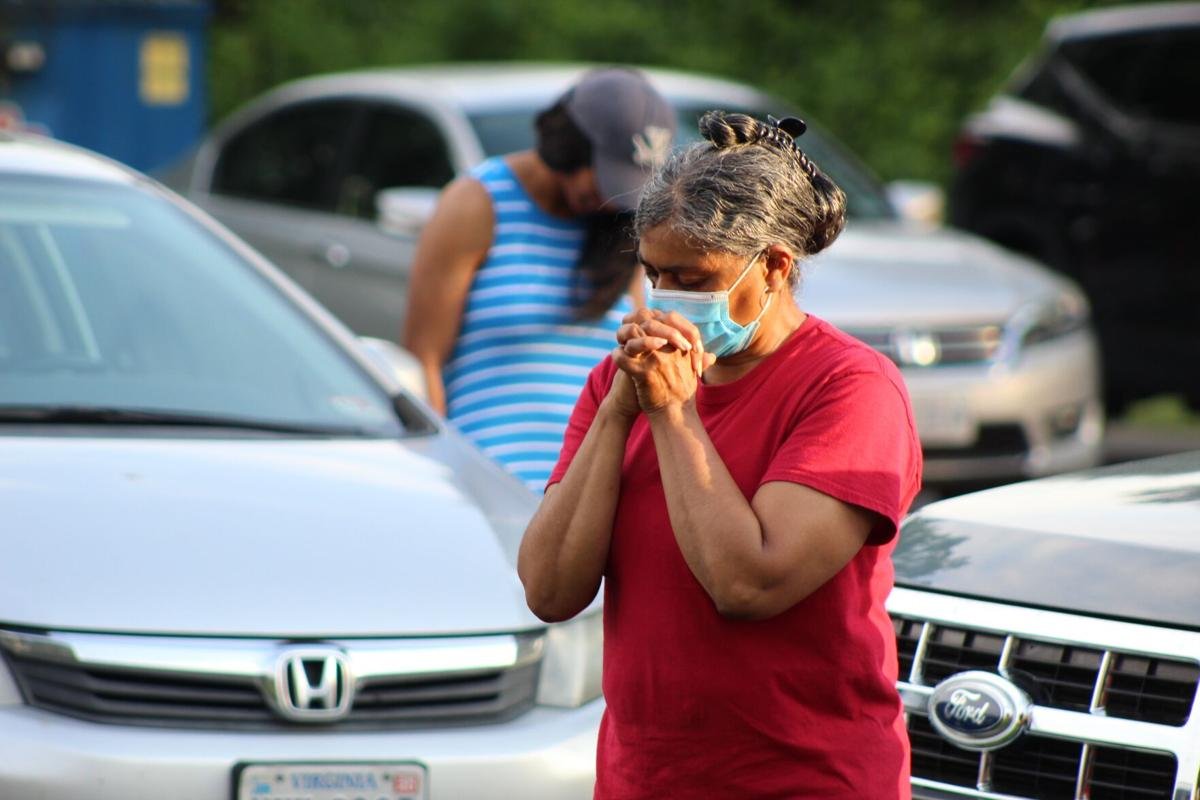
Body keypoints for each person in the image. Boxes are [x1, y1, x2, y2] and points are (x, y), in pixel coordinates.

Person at [517, 112, 922, 798]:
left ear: (773, 266)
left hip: (805, 778)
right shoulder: (620, 384)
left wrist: (673, 412)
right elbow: (550, 590)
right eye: (654, 274)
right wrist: (620, 411)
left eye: (695, 279)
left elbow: (748, 585)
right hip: (646, 780)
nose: (668, 301)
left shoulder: (850, 389)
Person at [402, 67, 676, 493]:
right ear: (570, 144)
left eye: (626, 187)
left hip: (589, 495)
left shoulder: (619, 225)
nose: (611, 198)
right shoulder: (478, 203)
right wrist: (438, 477)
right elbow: (424, 359)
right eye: (606, 178)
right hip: (488, 490)